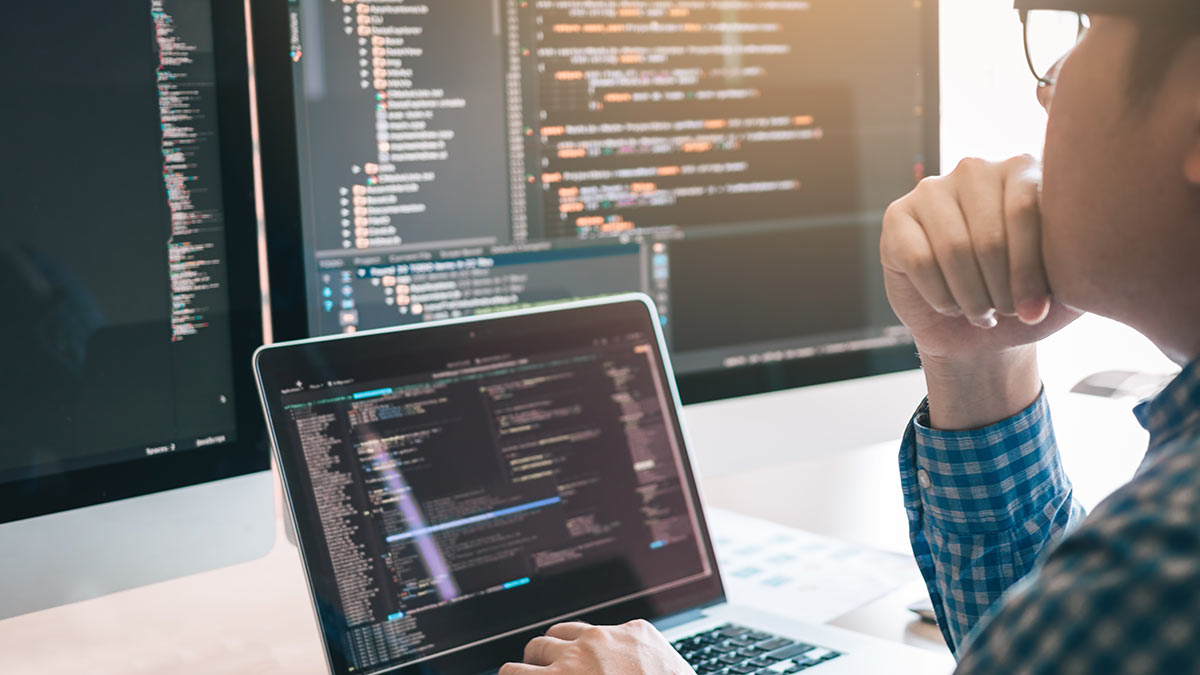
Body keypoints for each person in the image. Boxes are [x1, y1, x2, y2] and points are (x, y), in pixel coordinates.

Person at [499, 0, 1200, 672]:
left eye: (1087, 26)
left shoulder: (1164, 555)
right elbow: (1048, 643)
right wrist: (981, 363)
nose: (1049, 92)